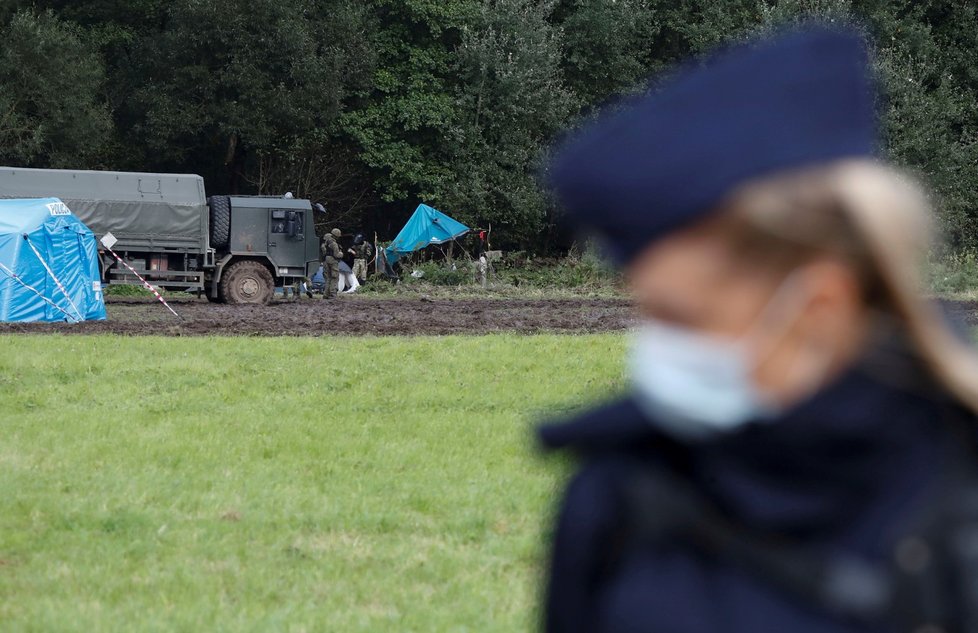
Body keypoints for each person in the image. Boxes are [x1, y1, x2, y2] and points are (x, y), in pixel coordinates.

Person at [538, 26, 978, 633]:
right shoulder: (620, 493)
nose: (657, 348)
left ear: (820, 304)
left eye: (684, 318)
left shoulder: (955, 490)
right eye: (649, 311)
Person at [320, 228, 343, 300]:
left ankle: (326, 294)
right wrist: (341, 254)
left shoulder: (326, 242)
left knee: (328, 278)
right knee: (335, 277)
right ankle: (333, 294)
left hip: (326, 260)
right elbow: (336, 255)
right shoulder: (334, 244)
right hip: (333, 260)